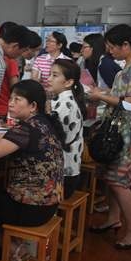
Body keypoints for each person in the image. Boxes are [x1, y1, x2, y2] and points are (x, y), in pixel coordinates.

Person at [0, 80, 65, 261]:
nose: (10, 103)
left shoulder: (26, 129)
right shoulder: (43, 123)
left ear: (33, 106)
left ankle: (15, 249)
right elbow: (11, 134)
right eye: (10, 98)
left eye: (17, 99)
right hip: (48, 203)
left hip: (29, 207)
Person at [87, 24, 131, 249]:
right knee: (111, 179)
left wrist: (102, 97)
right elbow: (121, 93)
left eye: (112, 47)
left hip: (126, 130)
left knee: (119, 181)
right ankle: (113, 219)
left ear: (126, 45)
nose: (109, 52)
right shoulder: (128, 65)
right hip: (117, 127)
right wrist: (101, 92)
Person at [47, 59, 87, 199]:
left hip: (61, 178)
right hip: (67, 174)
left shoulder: (64, 104)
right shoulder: (66, 100)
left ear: (69, 82)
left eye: (55, 75)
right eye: (50, 74)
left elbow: (51, 140)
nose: (49, 79)